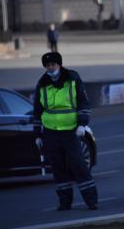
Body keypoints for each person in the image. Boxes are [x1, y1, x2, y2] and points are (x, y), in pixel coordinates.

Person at [33, 52, 98, 210]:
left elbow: (83, 102)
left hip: (71, 131)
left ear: (59, 65)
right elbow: (37, 109)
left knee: (79, 165)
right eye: (48, 65)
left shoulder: (72, 79)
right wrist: (38, 134)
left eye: (53, 65)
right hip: (50, 132)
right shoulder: (42, 83)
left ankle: (91, 201)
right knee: (58, 167)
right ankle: (65, 202)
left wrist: (82, 124)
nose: (50, 68)